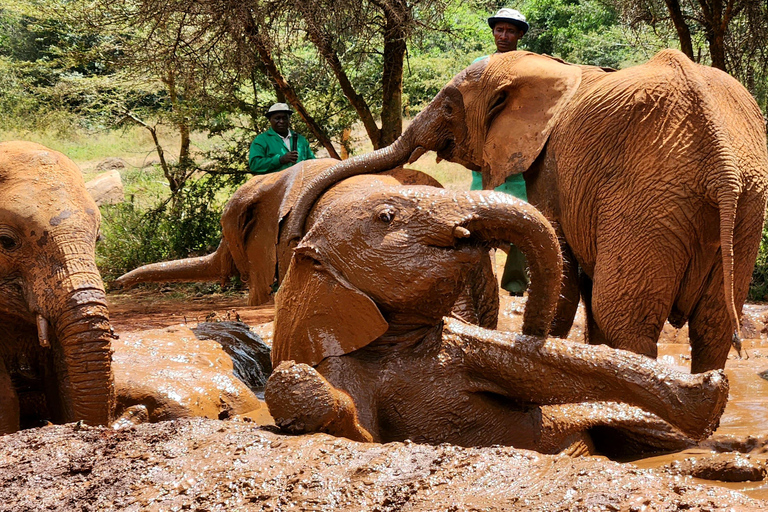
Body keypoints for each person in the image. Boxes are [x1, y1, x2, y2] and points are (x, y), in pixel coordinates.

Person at [472, 8, 531, 295]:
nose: (504, 36)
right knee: (476, 221)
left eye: (510, 31)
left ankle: (516, 284)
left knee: (522, 220)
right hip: (483, 156)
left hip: (519, 157)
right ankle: (478, 283)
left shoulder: (531, 68)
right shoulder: (479, 66)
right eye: (499, 30)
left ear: (520, 34)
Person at [249, 102, 315, 174]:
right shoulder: (261, 140)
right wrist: (280, 160)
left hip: (300, 183)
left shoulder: (301, 140)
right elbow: (254, 165)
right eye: (277, 118)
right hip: (273, 184)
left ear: (289, 119)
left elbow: (312, 163)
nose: (281, 121)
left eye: (285, 118)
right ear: (270, 119)